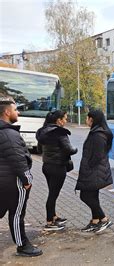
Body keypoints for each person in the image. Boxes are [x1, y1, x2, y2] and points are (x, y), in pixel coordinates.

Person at [0, 97, 42, 257]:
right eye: (15, 109)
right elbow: (18, 160)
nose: (18, 112)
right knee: (17, 214)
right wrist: (27, 180)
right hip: (13, 182)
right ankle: (23, 245)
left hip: (3, 181)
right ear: (7, 112)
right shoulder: (10, 134)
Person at [36, 110, 78, 231]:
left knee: (52, 192)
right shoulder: (60, 132)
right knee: (53, 195)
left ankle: (54, 216)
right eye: (65, 118)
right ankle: (50, 222)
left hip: (47, 166)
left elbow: (39, 150)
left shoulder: (42, 132)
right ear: (58, 120)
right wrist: (76, 149)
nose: (66, 121)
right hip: (58, 167)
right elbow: (69, 149)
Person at [76, 109, 114, 233]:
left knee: (85, 196)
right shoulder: (97, 132)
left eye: (87, 118)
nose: (86, 120)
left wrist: (88, 166)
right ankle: (95, 221)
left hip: (94, 171)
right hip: (95, 171)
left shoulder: (98, 134)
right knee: (93, 196)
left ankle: (103, 218)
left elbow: (98, 155)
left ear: (92, 119)